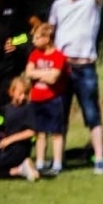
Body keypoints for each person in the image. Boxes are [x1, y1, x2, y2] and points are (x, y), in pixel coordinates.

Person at [47, 0, 103, 174]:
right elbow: (50, 31)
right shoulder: (59, 5)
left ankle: (99, 159)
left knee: (92, 113)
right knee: (59, 114)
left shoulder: (92, 2)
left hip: (85, 67)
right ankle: (57, 160)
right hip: (63, 67)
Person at [25, 23, 67, 176]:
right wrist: (45, 73)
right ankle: (40, 162)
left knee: (56, 132)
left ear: (47, 38)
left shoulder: (58, 56)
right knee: (40, 132)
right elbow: (28, 73)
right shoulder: (34, 54)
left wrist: (39, 73)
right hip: (37, 99)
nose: (33, 41)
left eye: (37, 38)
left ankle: (57, 163)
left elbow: (54, 78)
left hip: (53, 99)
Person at [0, 76, 40, 180]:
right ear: (12, 91)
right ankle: (21, 169)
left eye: (26, 93)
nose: (23, 97)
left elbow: (31, 132)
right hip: (5, 147)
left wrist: (9, 140)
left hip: (18, 148)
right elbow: (0, 122)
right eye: (20, 93)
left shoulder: (28, 108)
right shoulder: (7, 109)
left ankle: (21, 167)